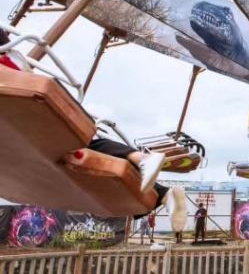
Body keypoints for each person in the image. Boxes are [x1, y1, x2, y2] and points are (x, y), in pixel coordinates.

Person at [0, 29, 188, 226]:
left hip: (28, 119)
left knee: (78, 145)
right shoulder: (16, 63)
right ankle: (160, 187)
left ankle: (146, 165)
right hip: (33, 125)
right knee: (83, 146)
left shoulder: (10, 67)